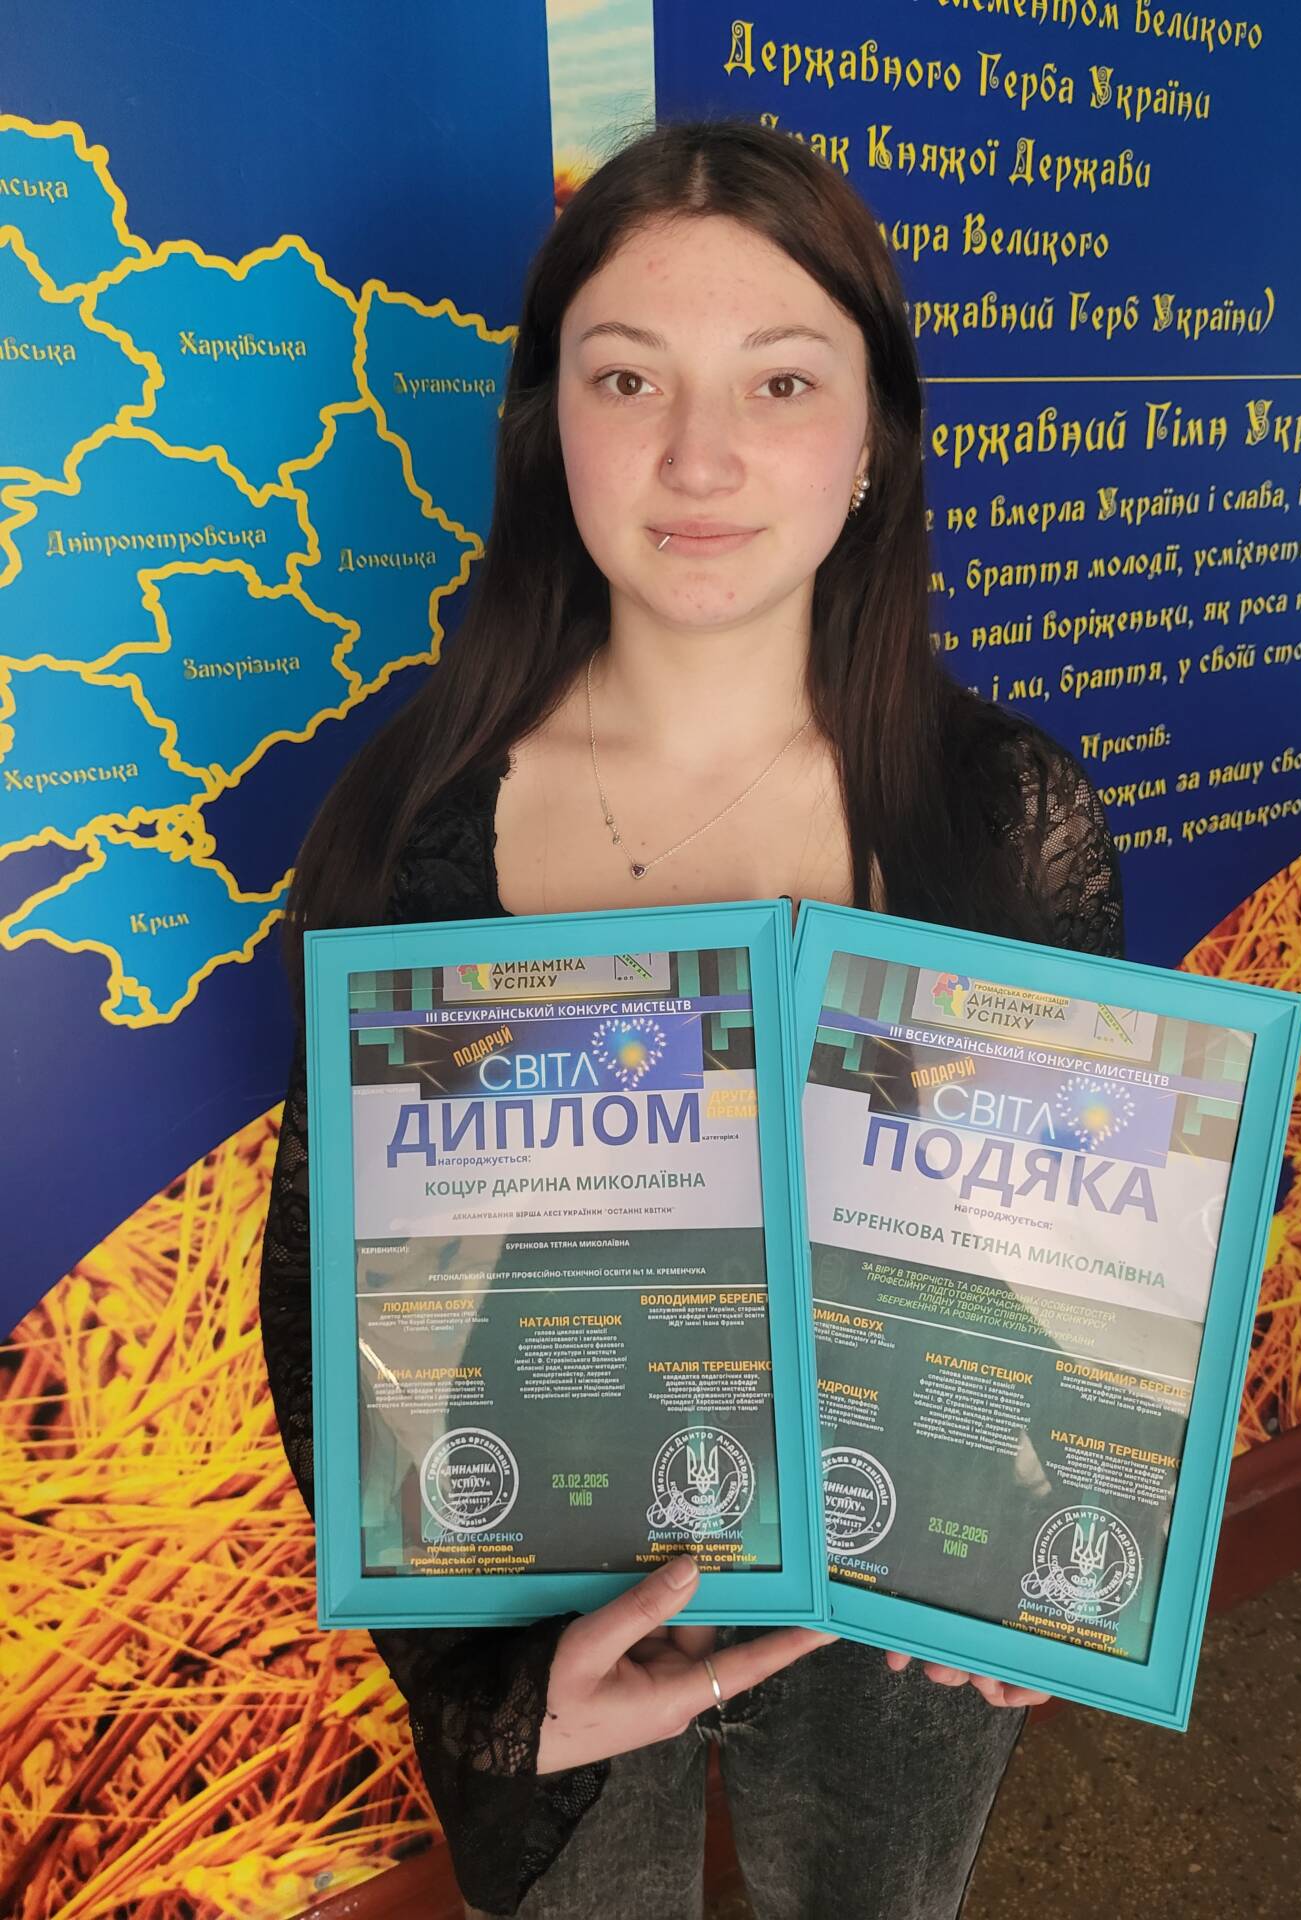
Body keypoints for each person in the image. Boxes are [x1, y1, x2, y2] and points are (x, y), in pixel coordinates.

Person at [258, 117, 1124, 1919]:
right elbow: (319, 1289)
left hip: (894, 1610)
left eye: (780, 380)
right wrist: (490, 1701)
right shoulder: (415, 816)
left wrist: (1070, 1556)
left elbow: (1069, 1272)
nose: (699, 455)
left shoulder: (1005, 817)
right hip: (539, 1596)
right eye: (628, 376)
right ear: (547, 425)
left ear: (873, 434)